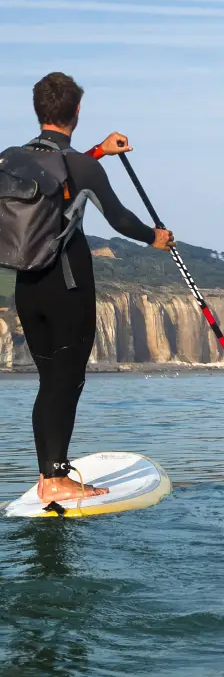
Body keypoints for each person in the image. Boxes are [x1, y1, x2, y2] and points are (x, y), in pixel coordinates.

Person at [14, 71, 174, 505]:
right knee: (67, 381)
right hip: (68, 285)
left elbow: (56, 183)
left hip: (26, 287)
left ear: (37, 110)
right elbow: (119, 218)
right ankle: (55, 476)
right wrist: (154, 238)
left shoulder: (13, 160)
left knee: (50, 381)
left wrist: (100, 150)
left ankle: (49, 473)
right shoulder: (80, 166)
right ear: (77, 112)